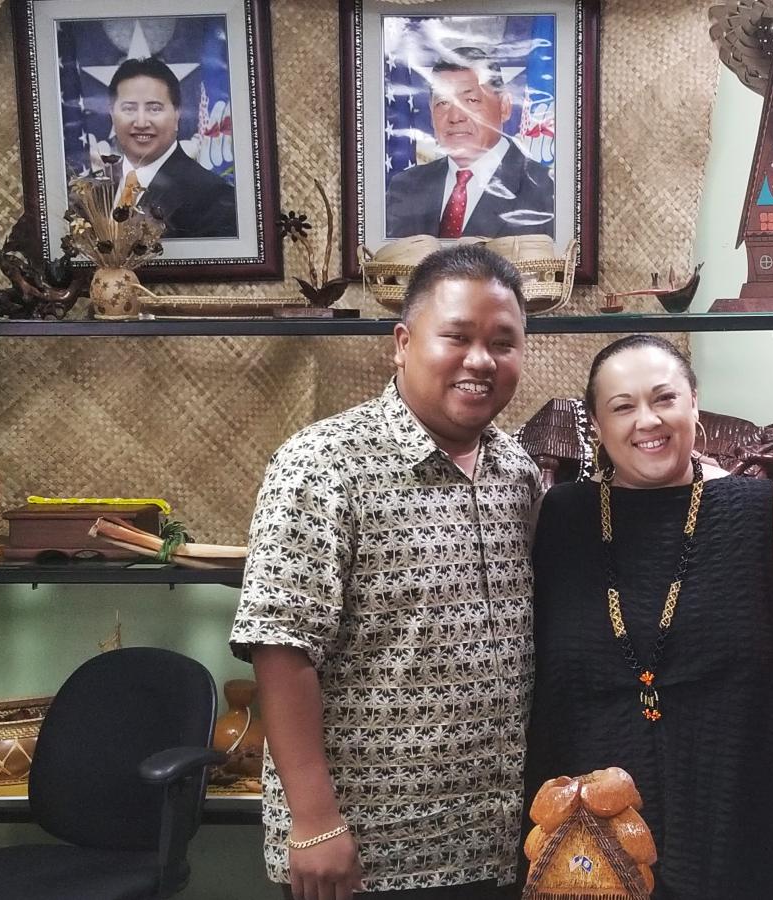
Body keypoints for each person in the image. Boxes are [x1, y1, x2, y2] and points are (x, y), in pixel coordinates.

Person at [229, 244, 540, 900]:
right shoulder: (322, 465)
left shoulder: (518, 470)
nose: (481, 360)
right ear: (402, 343)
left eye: (503, 343)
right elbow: (281, 648)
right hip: (364, 854)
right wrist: (313, 821)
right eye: (456, 336)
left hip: (493, 842)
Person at [527, 334, 773, 899]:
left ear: (693, 402)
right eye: (622, 406)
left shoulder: (757, 511)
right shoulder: (564, 518)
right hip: (590, 829)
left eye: (664, 399)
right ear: (594, 422)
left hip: (737, 805)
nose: (647, 421)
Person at [385, 49, 555, 240]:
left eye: (471, 100)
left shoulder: (547, 192)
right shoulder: (405, 188)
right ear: (431, 111)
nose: (456, 117)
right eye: (443, 102)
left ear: (505, 106)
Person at [107, 57, 238, 239]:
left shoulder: (213, 197)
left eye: (154, 109)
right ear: (112, 114)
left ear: (177, 115)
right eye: (129, 109)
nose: (141, 122)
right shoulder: (90, 192)